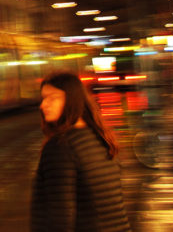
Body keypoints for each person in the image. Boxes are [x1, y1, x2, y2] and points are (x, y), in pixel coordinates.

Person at [31, 72, 131, 232]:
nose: (43, 105)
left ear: (72, 99)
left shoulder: (60, 147)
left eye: (53, 98)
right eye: (43, 98)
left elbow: (60, 217)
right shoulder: (101, 138)